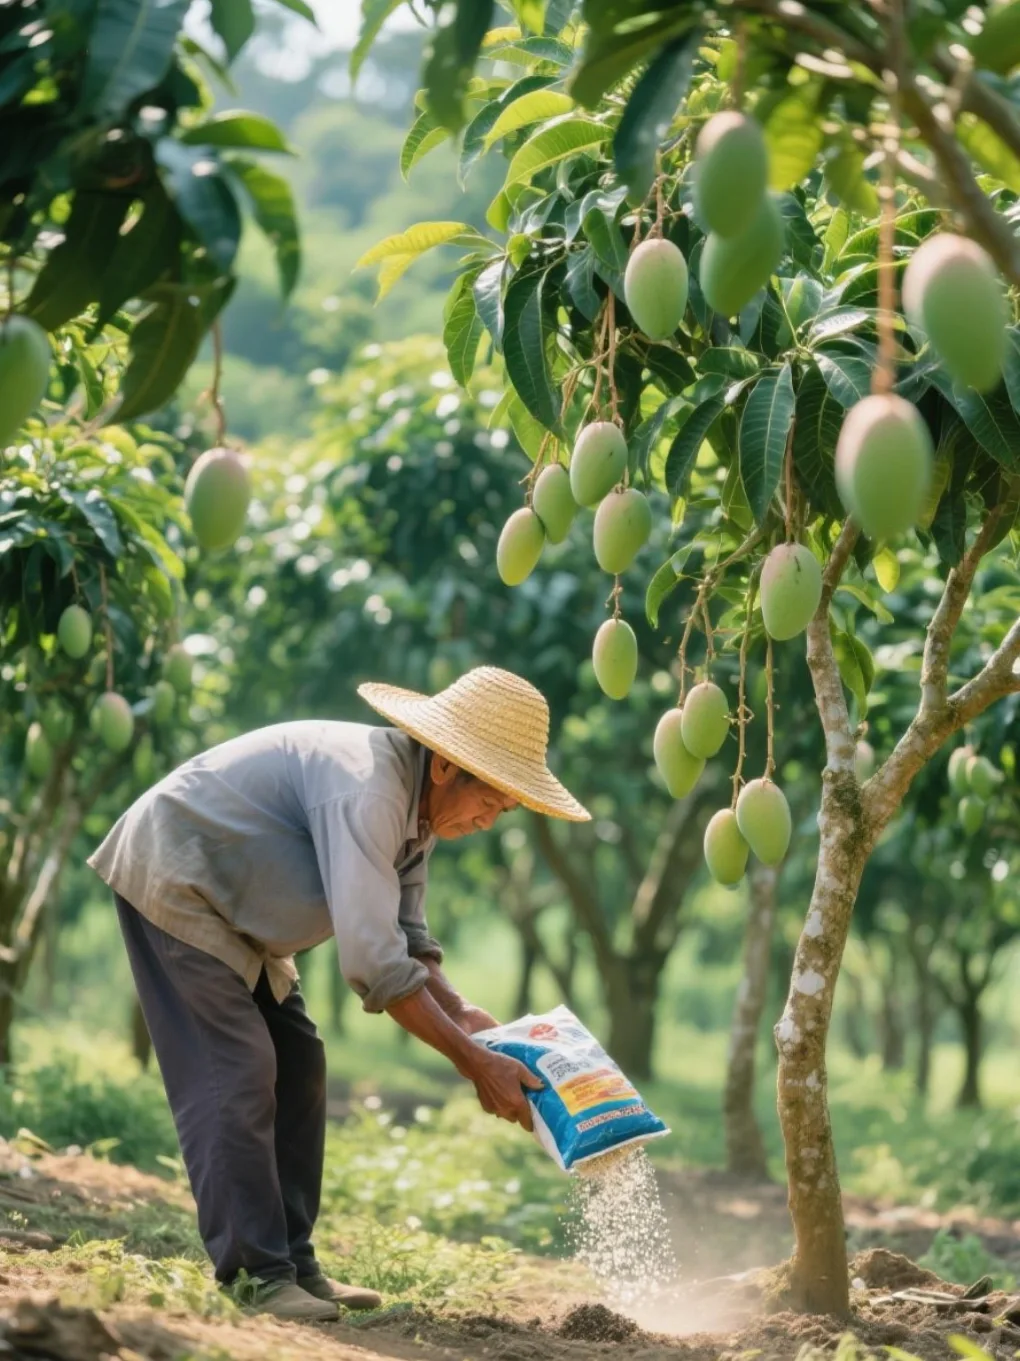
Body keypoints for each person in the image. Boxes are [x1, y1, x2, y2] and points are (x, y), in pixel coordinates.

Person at [88, 666, 589, 1323]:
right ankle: (257, 1276)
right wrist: (472, 1061)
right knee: (237, 1068)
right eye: (491, 800)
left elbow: (408, 935)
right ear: (446, 765)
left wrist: (471, 1019)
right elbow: (374, 963)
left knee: (300, 1062)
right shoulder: (370, 787)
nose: (491, 820)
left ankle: (293, 1264)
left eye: (504, 810)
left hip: (244, 922)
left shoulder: (419, 813)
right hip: (180, 877)